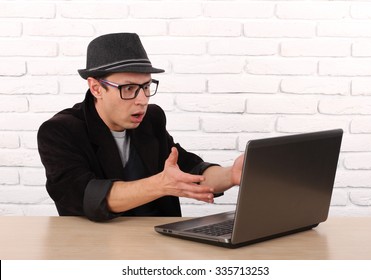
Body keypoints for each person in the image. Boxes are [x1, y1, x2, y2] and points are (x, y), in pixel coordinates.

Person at [37, 33, 244, 222]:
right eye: (129, 88)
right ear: (96, 88)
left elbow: (188, 171)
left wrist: (231, 175)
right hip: (97, 245)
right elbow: (84, 196)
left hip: (158, 243)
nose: (142, 100)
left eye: (146, 87)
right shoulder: (59, 132)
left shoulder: (151, 119)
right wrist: (161, 185)